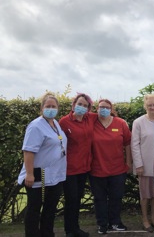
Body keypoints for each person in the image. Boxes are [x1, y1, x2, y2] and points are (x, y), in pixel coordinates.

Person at [17, 92, 67, 237]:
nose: (51, 108)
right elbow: (28, 151)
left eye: (54, 106)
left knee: (50, 209)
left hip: (55, 175)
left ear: (58, 108)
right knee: (34, 208)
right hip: (38, 174)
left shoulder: (55, 123)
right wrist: (29, 173)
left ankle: (47, 234)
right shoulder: (36, 126)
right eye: (48, 106)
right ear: (42, 108)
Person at [89, 99, 132, 234]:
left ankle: (115, 222)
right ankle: (102, 224)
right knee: (99, 198)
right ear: (97, 109)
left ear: (111, 109)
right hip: (96, 169)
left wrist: (129, 162)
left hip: (118, 168)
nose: (104, 109)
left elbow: (127, 144)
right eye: (101, 107)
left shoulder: (120, 123)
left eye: (107, 107)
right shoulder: (92, 123)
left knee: (116, 197)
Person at [59, 93, 95, 237]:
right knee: (71, 199)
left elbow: (107, 114)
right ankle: (70, 230)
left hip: (85, 167)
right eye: (80, 104)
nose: (82, 107)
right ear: (73, 105)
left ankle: (75, 228)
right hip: (69, 168)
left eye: (85, 106)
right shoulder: (64, 122)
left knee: (77, 199)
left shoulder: (90, 118)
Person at [131, 94, 154, 232]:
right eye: (149, 105)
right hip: (145, 163)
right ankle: (145, 219)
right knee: (145, 193)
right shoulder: (138, 122)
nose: (152, 107)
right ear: (145, 106)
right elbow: (134, 144)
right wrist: (138, 164)